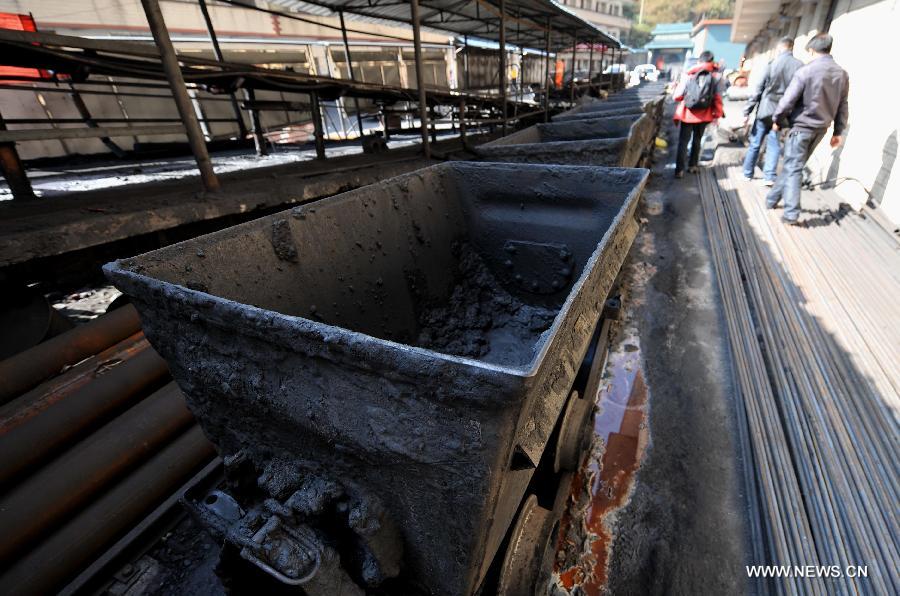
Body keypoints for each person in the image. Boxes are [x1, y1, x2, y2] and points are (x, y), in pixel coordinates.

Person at [766, 33, 849, 225]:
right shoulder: (841, 73)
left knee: (793, 167)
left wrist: (777, 119)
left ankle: (791, 213)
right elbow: (843, 105)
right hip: (821, 129)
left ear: (812, 50)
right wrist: (838, 132)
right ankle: (771, 199)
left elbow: (788, 100)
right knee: (794, 165)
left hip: (802, 127)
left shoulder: (807, 71)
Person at [742, 37, 803, 185]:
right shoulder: (800, 66)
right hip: (783, 112)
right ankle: (769, 176)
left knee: (755, 142)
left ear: (780, 48)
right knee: (774, 143)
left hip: (765, 109)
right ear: (791, 47)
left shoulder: (772, 64)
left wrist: (747, 110)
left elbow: (758, 89)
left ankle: (747, 173)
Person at [673, 51, 725, 178]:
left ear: (699, 61)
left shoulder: (688, 73)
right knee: (697, 140)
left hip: (688, 114)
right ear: (712, 61)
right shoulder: (717, 76)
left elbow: (677, 95)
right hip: (705, 115)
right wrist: (717, 115)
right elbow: (718, 98)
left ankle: (679, 170)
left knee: (683, 142)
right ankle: (693, 166)